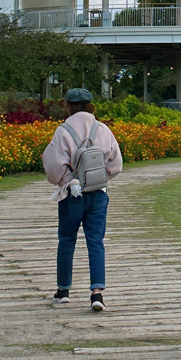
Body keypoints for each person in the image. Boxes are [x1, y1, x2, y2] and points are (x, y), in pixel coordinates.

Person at [41, 88, 122, 311]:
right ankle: (97, 294)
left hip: (72, 194)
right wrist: (100, 178)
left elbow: (52, 164)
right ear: (90, 105)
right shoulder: (103, 129)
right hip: (98, 194)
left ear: (68, 105)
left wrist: (68, 180)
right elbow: (116, 163)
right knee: (95, 242)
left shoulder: (63, 130)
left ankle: (63, 291)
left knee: (67, 240)